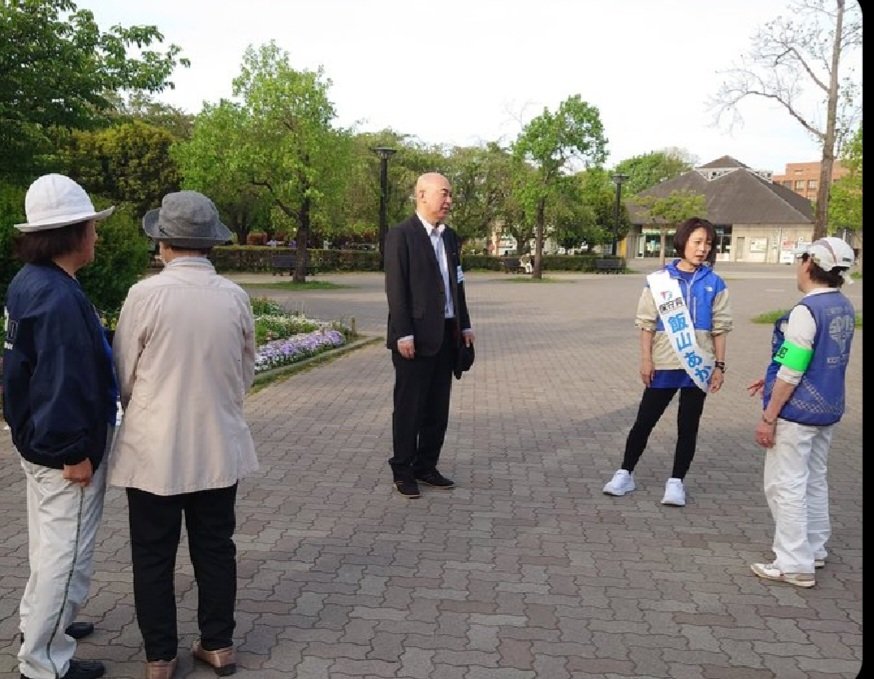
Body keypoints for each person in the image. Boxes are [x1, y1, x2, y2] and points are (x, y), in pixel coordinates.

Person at [107, 191, 259, 678]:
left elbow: (123, 373)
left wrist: (143, 409)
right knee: (216, 547)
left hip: (156, 448)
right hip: (217, 442)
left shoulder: (144, 296)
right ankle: (218, 644)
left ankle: (160, 656)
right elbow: (245, 372)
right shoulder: (234, 296)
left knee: (153, 554)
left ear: (163, 243)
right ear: (210, 243)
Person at [4, 174, 117, 679]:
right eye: (92, 226)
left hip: (36, 442)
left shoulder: (34, 283)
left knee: (49, 547)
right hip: (61, 451)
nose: (96, 235)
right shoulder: (59, 299)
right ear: (72, 233)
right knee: (66, 555)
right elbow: (63, 383)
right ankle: (44, 662)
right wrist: (75, 452)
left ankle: (42, 625)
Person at [747, 237, 856, 588]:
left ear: (809, 264)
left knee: (785, 485)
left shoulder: (806, 310)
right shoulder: (842, 305)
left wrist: (769, 415)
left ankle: (794, 562)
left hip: (797, 412)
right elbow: (801, 359)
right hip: (829, 406)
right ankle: (814, 549)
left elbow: (793, 368)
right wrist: (770, 379)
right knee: (814, 479)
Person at [603, 217, 733, 506]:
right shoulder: (660, 281)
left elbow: (720, 328)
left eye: (708, 243)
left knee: (688, 426)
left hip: (697, 367)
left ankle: (676, 481)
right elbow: (646, 324)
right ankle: (625, 472)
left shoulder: (715, 283)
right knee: (644, 422)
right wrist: (645, 359)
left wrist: (720, 366)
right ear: (683, 241)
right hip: (663, 363)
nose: (702, 249)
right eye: (697, 242)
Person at [384, 172, 475, 498]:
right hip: (415, 340)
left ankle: (426, 466)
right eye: (444, 194)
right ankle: (403, 469)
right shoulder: (401, 235)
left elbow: (457, 284)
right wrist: (403, 333)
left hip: (446, 336)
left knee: (438, 408)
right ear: (422, 195)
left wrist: (464, 325)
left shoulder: (450, 238)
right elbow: (396, 289)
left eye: (451, 195)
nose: (449, 200)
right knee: (410, 407)